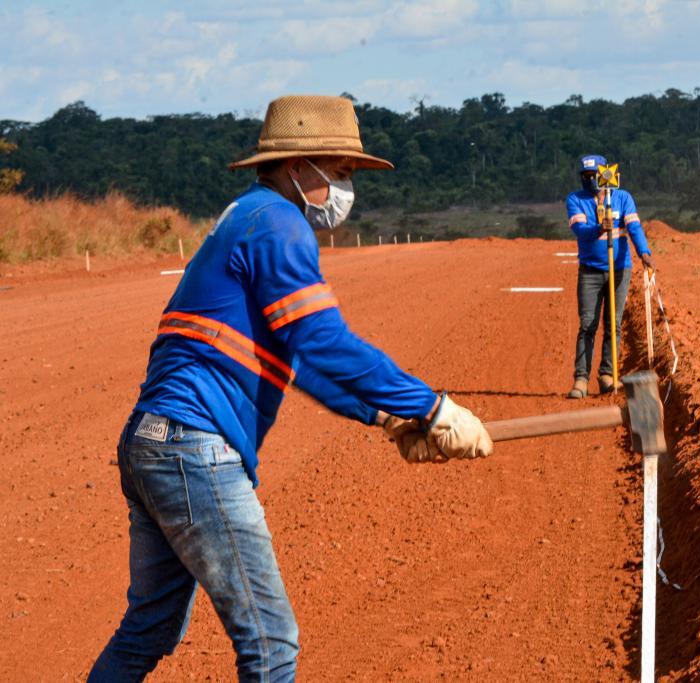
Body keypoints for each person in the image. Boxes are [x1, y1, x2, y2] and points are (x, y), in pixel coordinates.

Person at [89, 95, 492, 682]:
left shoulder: (246, 215)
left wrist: (383, 418)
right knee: (272, 643)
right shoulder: (278, 225)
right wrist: (431, 407)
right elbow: (325, 340)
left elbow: (300, 363)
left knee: (146, 630)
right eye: (344, 173)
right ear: (300, 168)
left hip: (152, 442)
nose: (348, 188)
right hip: (196, 451)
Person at [565, 154, 654, 399]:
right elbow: (579, 230)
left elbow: (634, 227)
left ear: (605, 173)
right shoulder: (575, 199)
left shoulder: (622, 198)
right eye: (585, 176)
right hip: (591, 271)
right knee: (587, 325)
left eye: (594, 175)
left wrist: (643, 252)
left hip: (620, 269)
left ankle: (607, 374)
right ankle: (581, 379)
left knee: (613, 324)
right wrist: (598, 228)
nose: (590, 180)